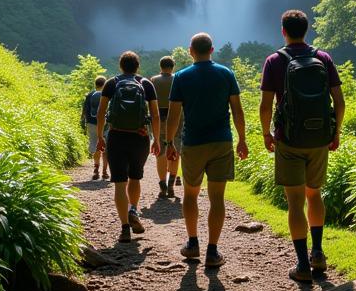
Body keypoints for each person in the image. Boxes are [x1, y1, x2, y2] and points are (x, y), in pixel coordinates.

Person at [259, 9, 345, 283]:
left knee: (295, 202)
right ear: (306, 30)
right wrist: (336, 131)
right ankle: (318, 253)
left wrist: (266, 133)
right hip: (319, 137)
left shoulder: (274, 60)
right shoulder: (323, 57)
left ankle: (301, 265)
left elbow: (265, 105)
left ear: (283, 30)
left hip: (289, 138)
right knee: (314, 194)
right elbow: (339, 101)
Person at [165, 32, 248, 268]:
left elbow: (174, 115)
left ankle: (193, 243)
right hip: (221, 142)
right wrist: (242, 139)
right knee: (217, 198)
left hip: (193, 143)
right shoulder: (226, 73)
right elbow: (238, 111)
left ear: (191, 51)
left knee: (190, 195)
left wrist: (169, 142)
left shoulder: (180, 77)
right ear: (212, 50)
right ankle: (213, 251)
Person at [96, 51, 161, 243]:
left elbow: (101, 112)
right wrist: (156, 139)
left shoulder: (111, 83)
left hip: (116, 136)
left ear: (121, 65)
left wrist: (100, 136)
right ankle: (133, 209)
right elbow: (155, 115)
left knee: (119, 183)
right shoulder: (146, 84)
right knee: (135, 176)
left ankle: (124, 228)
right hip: (139, 137)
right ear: (137, 66)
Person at [151, 56, 182, 198]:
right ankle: (171, 185)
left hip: (159, 120)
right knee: (175, 152)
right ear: (173, 66)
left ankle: (162, 184)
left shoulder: (154, 80)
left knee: (161, 153)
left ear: (160, 66)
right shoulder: (179, 79)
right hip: (177, 120)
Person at [81, 75, 109, 180]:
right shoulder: (107, 94)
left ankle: (96, 169)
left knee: (96, 145)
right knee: (105, 147)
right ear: (104, 84)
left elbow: (84, 110)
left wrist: (83, 122)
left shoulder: (89, 95)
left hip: (91, 123)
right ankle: (105, 172)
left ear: (95, 84)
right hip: (105, 124)